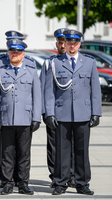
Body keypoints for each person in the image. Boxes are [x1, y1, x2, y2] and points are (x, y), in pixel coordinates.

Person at [44, 29, 102, 195]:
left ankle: (82, 183)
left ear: (79, 44)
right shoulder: (55, 63)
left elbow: (95, 90)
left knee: (82, 151)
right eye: (69, 42)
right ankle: (60, 183)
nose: (72, 45)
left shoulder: (89, 62)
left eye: (75, 43)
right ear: (65, 43)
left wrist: (96, 112)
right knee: (62, 151)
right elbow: (49, 91)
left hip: (83, 113)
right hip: (62, 113)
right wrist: (50, 113)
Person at [0, 39, 41, 195]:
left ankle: (23, 183)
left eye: (18, 52)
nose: (14, 54)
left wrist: (36, 118)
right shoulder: (1, 71)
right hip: (6, 118)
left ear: (23, 54)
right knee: (7, 153)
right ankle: (7, 182)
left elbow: (37, 96)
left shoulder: (31, 71)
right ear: (9, 53)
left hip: (25, 118)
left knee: (24, 153)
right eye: (12, 52)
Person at [40, 28, 75, 188]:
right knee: (54, 146)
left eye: (65, 42)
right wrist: (44, 111)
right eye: (60, 42)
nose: (63, 45)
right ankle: (55, 175)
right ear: (57, 44)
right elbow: (43, 89)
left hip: (72, 112)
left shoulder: (76, 61)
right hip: (54, 111)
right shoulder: (49, 63)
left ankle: (72, 175)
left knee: (73, 144)